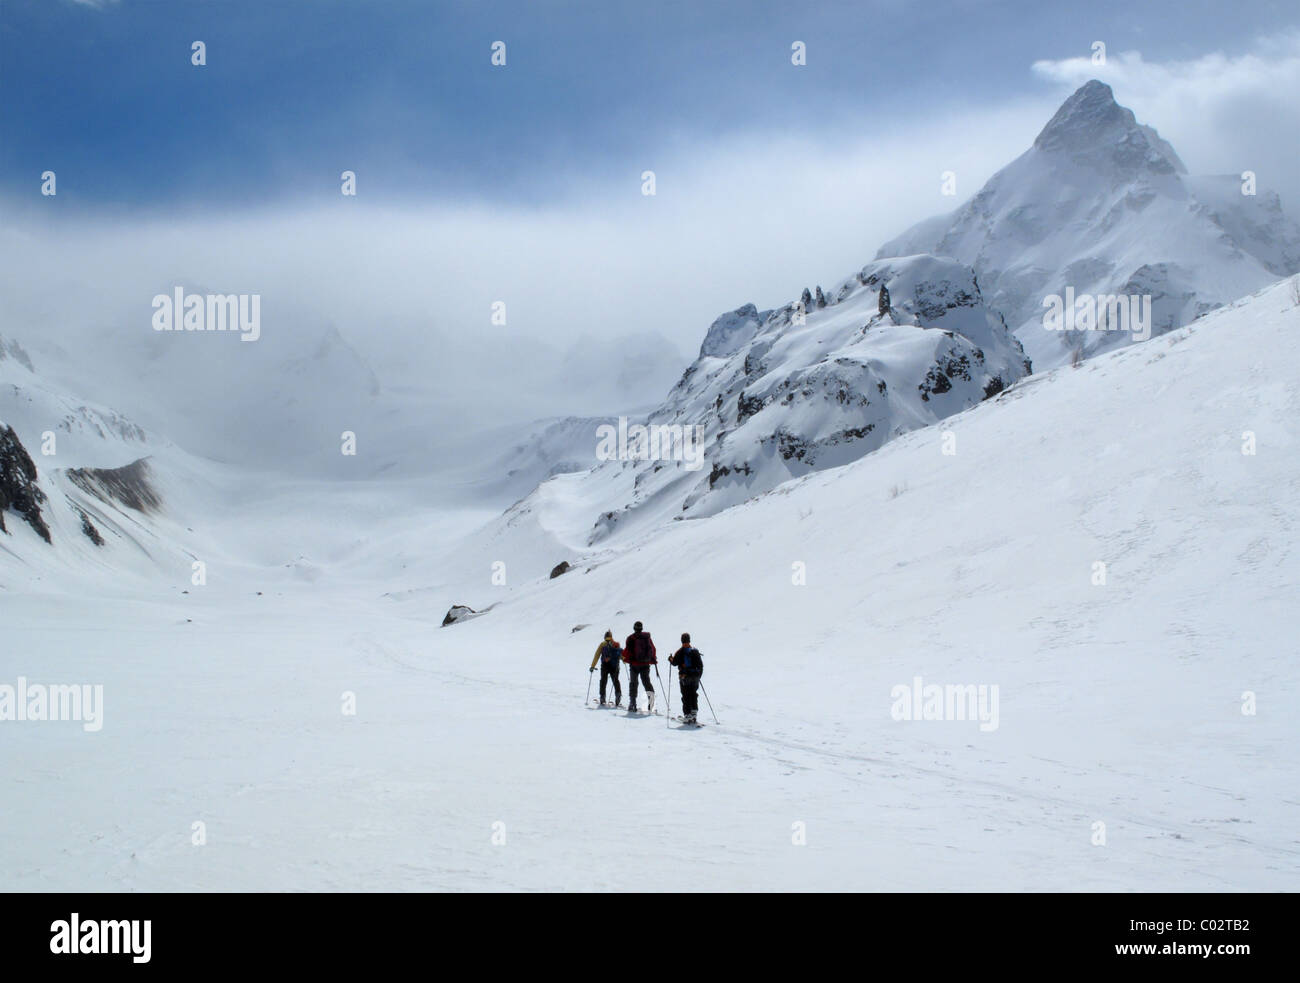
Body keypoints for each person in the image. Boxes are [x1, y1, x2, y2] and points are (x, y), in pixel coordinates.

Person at [668, 632, 704, 724]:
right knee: (693, 694)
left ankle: (687, 715)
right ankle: (694, 713)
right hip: (695, 677)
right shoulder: (695, 651)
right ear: (689, 640)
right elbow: (700, 665)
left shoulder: (680, 651)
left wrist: (670, 659)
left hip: (685, 677)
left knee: (686, 695)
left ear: (682, 641)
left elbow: (675, 663)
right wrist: (698, 676)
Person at [623, 621, 657, 713]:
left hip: (634, 664)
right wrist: (653, 660)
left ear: (634, 628)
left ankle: (632, 704)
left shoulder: (630, 638)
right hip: (645, 664)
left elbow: (627, 651)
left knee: (633, 683)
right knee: (647, 683)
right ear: (642, 628)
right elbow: (653, 649)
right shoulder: (647, 637)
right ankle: (651, 704)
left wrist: (624, 658)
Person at [589, 630, 622, 706]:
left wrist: (592, 666)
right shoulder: (615, 644)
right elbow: (620, 654)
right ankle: (618, 694)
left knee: (603, 681)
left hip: (605, 665)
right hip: (615, 666)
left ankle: (602, 697)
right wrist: (625, 660)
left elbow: (597, 655)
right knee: (615, 680)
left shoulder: (602, 644)